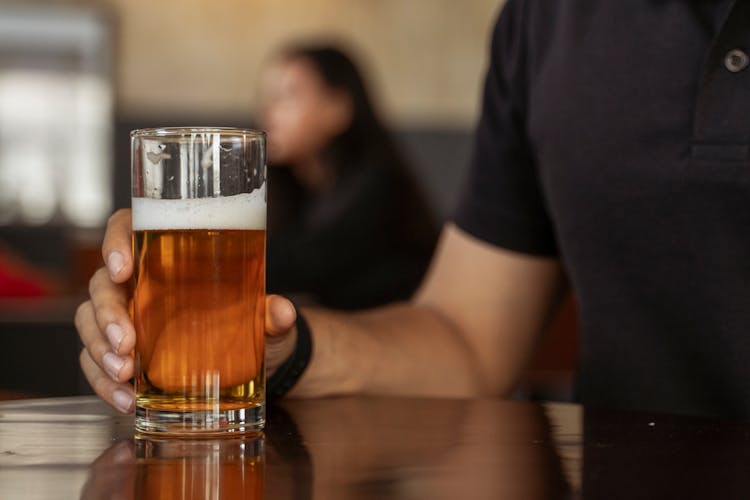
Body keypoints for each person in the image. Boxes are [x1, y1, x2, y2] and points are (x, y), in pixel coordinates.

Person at [75, 0, 750, 418]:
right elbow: (466, 342)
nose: (268, 113)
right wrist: (276, 346)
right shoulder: (545, 19)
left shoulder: (368, 192)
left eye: (290, 95)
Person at [261, 45, 438, 309]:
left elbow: (313, 263)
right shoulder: (298, 191)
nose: (270, 113)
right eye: (268, 98)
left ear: (339, 108)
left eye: (289, 96)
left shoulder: (379, 188)